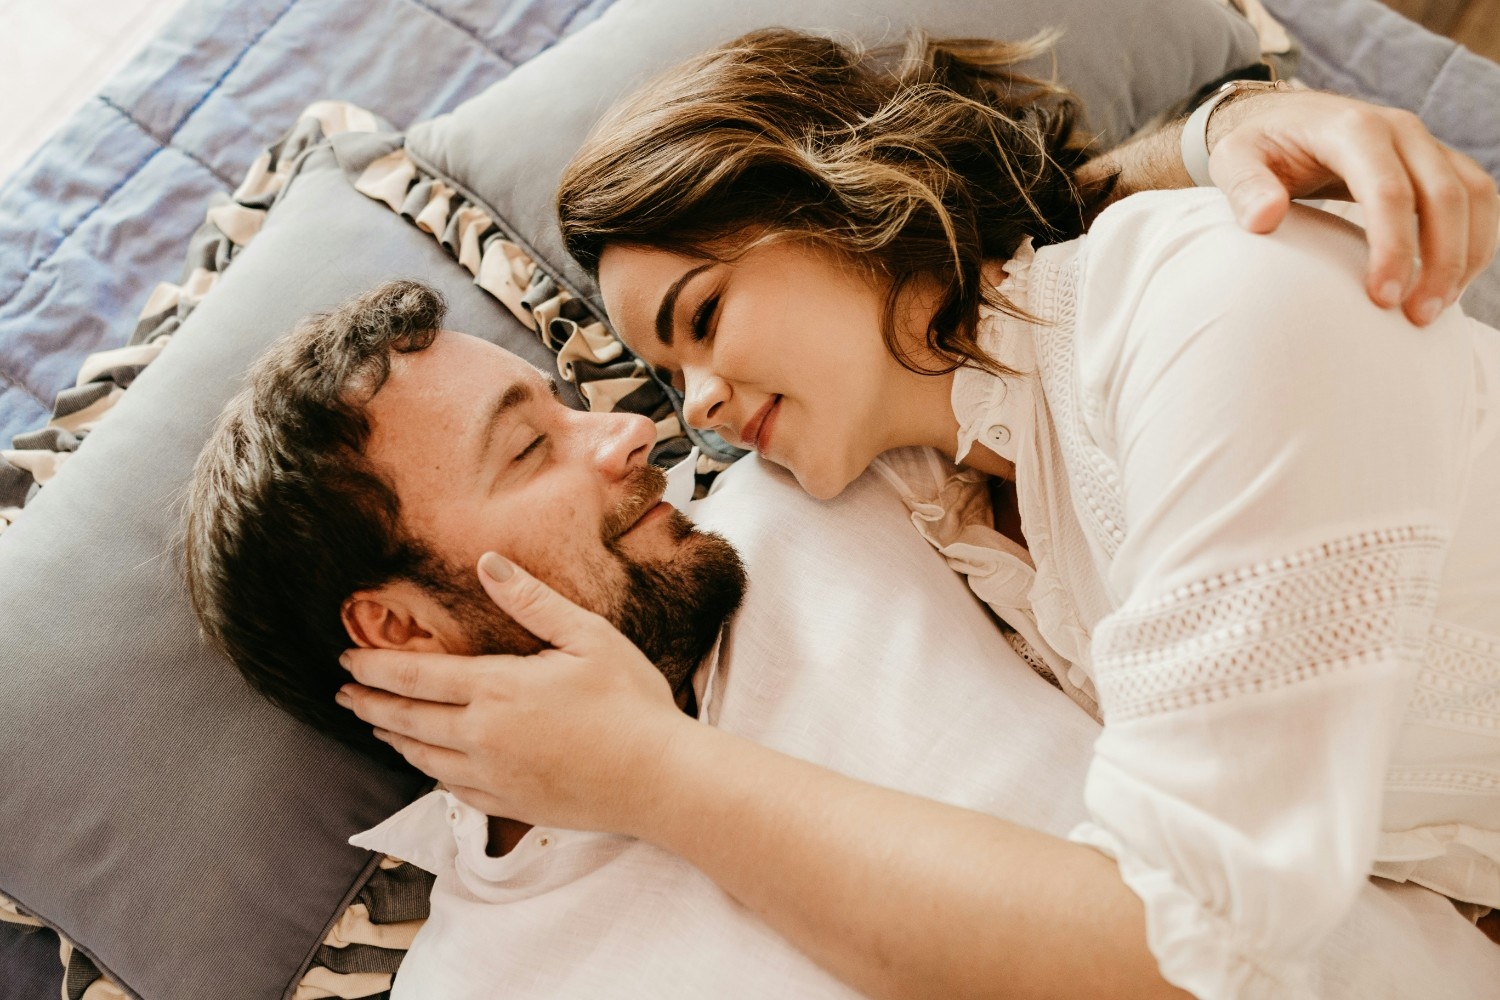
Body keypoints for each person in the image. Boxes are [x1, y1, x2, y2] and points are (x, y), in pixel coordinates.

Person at [337, 29, 1500, 1000]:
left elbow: (1187, 951)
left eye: (702, 316)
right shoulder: (937, 480)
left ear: (844, 195)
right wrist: (1205, 135)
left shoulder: (1214, 320)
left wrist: (651, 771)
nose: (689, 408)